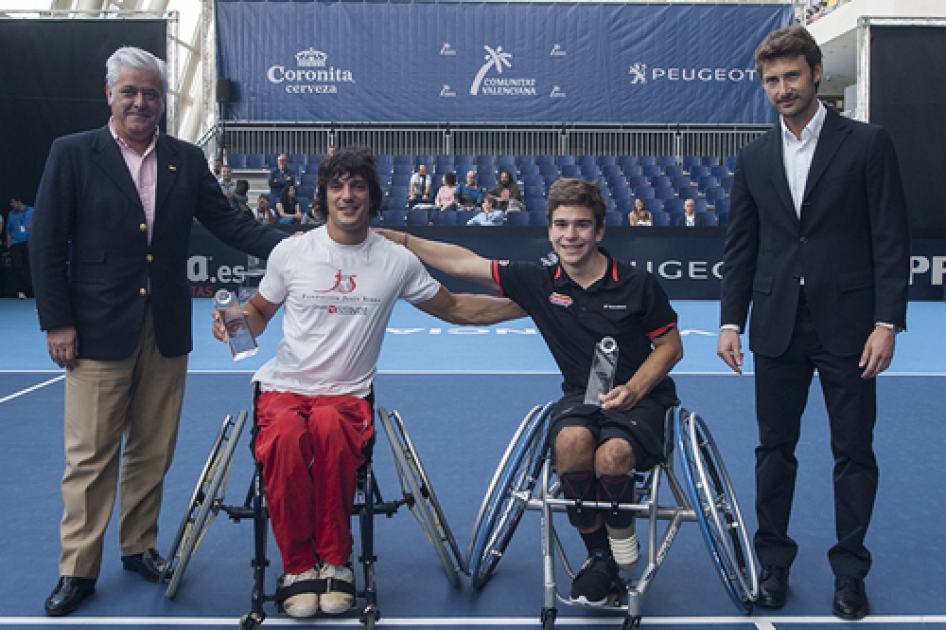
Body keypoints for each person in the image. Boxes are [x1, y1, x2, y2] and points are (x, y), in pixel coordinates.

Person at [212, 145, 523, 618]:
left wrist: (530, 305)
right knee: (288, 439)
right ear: (324, 195)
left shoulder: (396, 261)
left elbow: (457, 308)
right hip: (284, 388)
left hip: (346, 397)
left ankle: (335, 562)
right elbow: (258, 312)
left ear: (372, 195)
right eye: (337, 186)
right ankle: (297, 568)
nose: (347, 195)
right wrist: (235, 321)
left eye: (357, 186)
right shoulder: (291, 252)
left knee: (332, 434)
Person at [29, 46, 286, 618]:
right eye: (130, 92)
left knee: (152, 448)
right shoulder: (72, 154)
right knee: (91, 455)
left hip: (165, 328)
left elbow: (230, 222)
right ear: (110, 96)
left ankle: (139, 546)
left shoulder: (186, 159)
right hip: (94, 329)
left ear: (163, 101)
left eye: (151, 94)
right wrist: (59, 321)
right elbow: (46, 242)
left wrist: (301, 245)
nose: (141, 102)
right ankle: (78, 568)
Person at [379, 177, 683, 607]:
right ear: (549, 230)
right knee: (571, 443)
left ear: (599, 231)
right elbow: (464, 263)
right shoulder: (542, 284)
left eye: (581, 225)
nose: (570, 235)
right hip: (582, 396)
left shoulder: (637, 285)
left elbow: (671, 346)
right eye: (561, 224)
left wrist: (634, 389)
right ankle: (599, 559)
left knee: (612, 457)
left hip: (643, 399)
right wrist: (400, 239)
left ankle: (620, 531)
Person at [716, 25, 910, 621]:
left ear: (816, 74)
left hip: (851, 327)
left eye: (792, 76)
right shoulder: (751, 158)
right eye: (772, 80)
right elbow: (742, 248)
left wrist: (886, 322)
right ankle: (772, 565)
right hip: (776, 326)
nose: (782, 89)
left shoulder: (868, 143)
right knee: (774, 450)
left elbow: (890, 239)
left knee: (853, 451)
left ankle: (850, 572)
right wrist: (730, 323)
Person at [6, 196, 34, 299]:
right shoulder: (11, 214)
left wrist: (34, 226)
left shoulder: (31, 211)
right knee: (18, 266)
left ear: (18, 201)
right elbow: (8, 230)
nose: (12, 206)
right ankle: (22, 289)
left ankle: (31, 290)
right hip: (15, 244)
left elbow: (40, 224)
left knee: (29, 266)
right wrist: (9, 243)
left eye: (13, 203)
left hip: (28, 242)